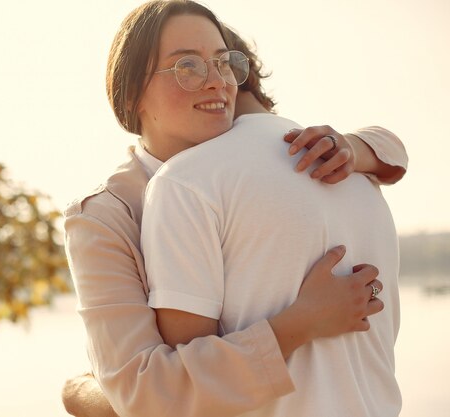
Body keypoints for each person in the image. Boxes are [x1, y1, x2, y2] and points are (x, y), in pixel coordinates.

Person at [62, 1, 407, 416]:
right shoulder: (104, 218)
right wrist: (300, 323)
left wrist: (356, 146)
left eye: (224, 63)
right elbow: (145, 392)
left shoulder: (289, 166)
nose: (216, 82)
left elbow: (391, 149)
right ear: (132, 91)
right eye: (187, 66)